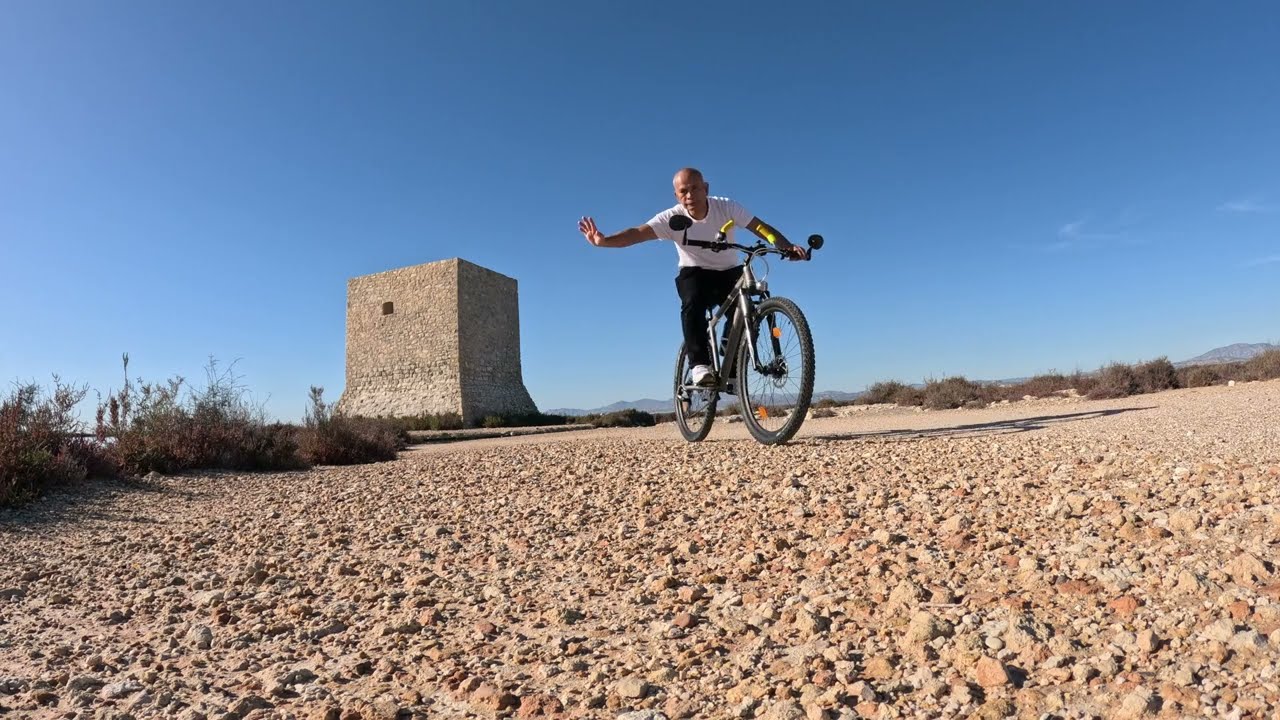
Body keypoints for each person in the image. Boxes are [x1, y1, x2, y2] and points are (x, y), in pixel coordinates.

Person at [578, 168, 806, 387]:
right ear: (676, 195)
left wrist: (786, 247)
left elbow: (760, 228)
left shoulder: (727, 207)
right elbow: (638, 233)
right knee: (693, 302)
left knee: (750, 309)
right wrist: (604, 240)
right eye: (683, 191)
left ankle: (732, 355)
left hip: (729, 272)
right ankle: (699, 365)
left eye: (695, 189)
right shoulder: (671, 218)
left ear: (705, 188)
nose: (689, 196)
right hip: (694, 272)